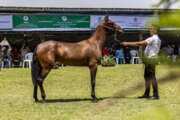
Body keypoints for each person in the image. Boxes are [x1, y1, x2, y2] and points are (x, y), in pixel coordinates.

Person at [121, 24, 161, 100]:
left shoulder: (153, 38)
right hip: (150, 59)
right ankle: (147, 93)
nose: (150, 30)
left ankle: (156, 95)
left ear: (155, 31)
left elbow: (140, 43)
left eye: (151, 29)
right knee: (147, 77)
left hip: (151, 60)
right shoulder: (157, 39)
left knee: (152, 77)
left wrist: (127, 43)